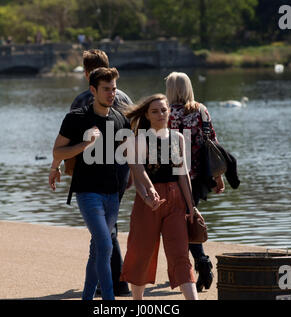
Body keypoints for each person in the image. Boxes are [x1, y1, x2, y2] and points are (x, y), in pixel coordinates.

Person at [49, 67, 130, 300]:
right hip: (87, 192)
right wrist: (83, 145)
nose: (112, 94)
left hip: (112, 194)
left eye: (114, 89)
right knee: (105, 246)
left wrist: (145, 185)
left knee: (97, 251)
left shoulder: (120, 118)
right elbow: (58, 150)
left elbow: (130, 156)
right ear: (93, 90)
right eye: (106, 89)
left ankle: (87, 298)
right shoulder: (77, 118)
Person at [120, 94, 200, 300]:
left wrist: (191, 206)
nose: (160, 114)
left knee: (180, 254)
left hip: (176, 202)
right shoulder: (138, 140)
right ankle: (137, 300)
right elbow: (138, 174)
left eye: (164, 110)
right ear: (146, 115)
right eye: (154, 111)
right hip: (148, 202)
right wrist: (147, 196)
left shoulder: (178, 138)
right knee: (141, 252)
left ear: (169, 111)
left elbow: (182, 174)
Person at [68, 49, 132, 296]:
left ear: (87, 74)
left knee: (104, 234)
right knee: (107, 229)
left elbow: (71, 136)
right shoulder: (124, 97)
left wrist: (64, 167)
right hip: (121, 170)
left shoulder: (82, 99)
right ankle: (109, 284)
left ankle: (114, 284)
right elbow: (132, 137)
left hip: (93, 174)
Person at [165, 71, 225, 292]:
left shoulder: (166, 113)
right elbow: (213, 143)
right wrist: (218, 177)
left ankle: (201, 263)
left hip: (175, 177)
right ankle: (197, 264)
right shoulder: (201, 110)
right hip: (200, 176)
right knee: (189, 218)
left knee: (182, 222)